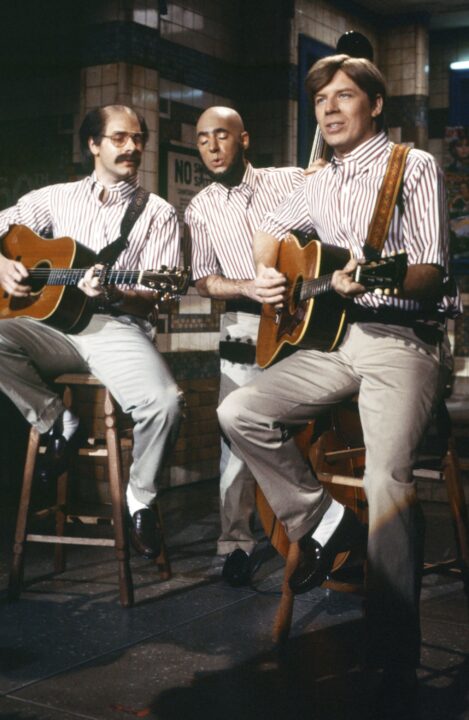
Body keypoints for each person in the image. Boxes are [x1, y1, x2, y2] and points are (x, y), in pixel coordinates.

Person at [217, 55, 459, 700]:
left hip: (402, 341)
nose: (328, 108)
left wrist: (375, 274)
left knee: (386, 478)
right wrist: (272, 274)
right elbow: (270, 236)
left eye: (344, 96)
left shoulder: (412, 165)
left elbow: (432, 269)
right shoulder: (313, 180)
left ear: (374, 105)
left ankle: (391, 650)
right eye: (320, 98)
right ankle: (327, 526)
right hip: (333, 341)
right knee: (238, 411)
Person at [0, 104, 184, 560]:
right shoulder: (54, 198)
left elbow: (160, 297)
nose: (133, 148)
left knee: (166, 403)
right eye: (120, 138)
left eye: (138, 139)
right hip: (52, 329)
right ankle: (56, 419)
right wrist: (3, 264)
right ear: (93, 145)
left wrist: (113, 295)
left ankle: (140, 495)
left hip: (114, 326)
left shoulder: (157, 213)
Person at [184, 106, 305, 586]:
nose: (213, 147)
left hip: (301, 320)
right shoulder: (200, 208)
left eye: (222, 136)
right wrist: (246, 286)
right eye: (203, 140)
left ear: (244, 139)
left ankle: (314, 530)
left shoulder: (290, 181)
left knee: (310, 430)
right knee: (234, 436)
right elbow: (204, 281)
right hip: (241, 324)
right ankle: (236, 542)